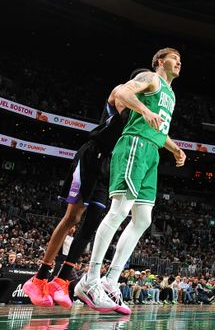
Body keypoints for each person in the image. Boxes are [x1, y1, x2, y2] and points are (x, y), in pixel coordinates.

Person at [22, 68, 148, 309]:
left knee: (93, 224)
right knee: (72, 217)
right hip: (91, 155)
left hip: (109, 165)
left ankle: (62, 280)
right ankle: (39, 278)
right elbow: (125, 101)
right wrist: (145, 109)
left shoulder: (143, 109)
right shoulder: (122, 92)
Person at [75, 48, 186, 313]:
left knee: (143, 219)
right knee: (119, 211)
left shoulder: (170, 93)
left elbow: (158, 126)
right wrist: (143, 111)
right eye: (174, 57)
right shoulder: (151, 78)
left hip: (152, 153)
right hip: (134, 146)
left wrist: (174, 148)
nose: (179, 62)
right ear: (160, 61)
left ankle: (111, 281)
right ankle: (89, 280)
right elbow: (122, 93)